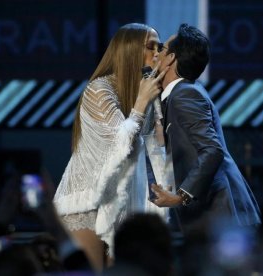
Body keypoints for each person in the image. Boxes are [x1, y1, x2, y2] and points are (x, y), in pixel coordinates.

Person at [53, 23, 167, 271]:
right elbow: (120, 144)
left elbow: (156, 148)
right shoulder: (99, 90)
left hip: (121, 204)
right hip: (86, 203)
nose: (157, 53)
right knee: (89, 272)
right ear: (128, 51)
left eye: (159, 47)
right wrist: (141, 102)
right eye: (151, 47)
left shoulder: (142, 90)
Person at [151, 24, 261, 230]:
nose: (156, 55)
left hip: (220, 215)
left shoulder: (184, 95)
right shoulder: (181, 93)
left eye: (162, 49)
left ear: (171, 58)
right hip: (212, 216)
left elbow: (212, 150)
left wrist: (181, 197)